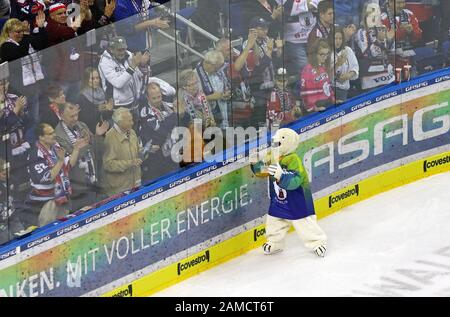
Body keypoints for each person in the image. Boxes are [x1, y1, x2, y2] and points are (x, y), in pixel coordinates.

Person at [25, 123, 88, 227]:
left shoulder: (56, 146)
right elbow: (47, 177)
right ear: (41, 137)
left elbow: (69, 165)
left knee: (65, 226)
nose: (54, 135)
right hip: (46, 202)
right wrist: (60, 161)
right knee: (48, 230)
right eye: (50, 134)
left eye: (53, 132)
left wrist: (76, 149)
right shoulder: (35, 154)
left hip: (62, 196)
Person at [55, 102, 109, 212]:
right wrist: (82, 146)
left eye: (76, 115)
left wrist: (98, 136)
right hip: (78, 189)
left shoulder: (82, 125)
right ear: (60, 115)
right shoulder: (58, 136)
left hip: (94, 182)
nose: (75, 119)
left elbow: (96, 151)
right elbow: (69, 162)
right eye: (71, 116)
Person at [0, 16, 47, 130]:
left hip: (33, 85)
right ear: (9, 32)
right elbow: (21, 52)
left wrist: (41, 28)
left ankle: (35, 139)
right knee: (26, 120)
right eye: (17, 32)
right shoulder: (6, 46)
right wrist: (26, 35)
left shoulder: (24, 40)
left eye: (22, 31)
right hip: (20, 90)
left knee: (35, 117)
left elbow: (42, 44)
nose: (20, 34)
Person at [242, 17, 283, 126]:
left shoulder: (266, 40)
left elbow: (274, 60)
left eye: (266, 28)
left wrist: (279, 49)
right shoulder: (247, 44)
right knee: (261, 117)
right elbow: (257, 69)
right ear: (252, 30)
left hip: (271, 83)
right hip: (258, 88)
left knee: (275, 113)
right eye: (262, 28)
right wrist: (269, 51)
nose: (266, 30)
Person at [138, 82, 177, 183]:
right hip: (156, 156)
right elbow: (161, 130)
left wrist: (180, 114)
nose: (157, 100)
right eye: (154, 98)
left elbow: (181, 121)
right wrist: (175, 115)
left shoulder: (168, 105)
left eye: (159, 96)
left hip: (173, 151)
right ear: (148, 98)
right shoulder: (145, 112)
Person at [0, 79, 31, 202]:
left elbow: (27, 121)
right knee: (12, 182)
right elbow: (3, 127)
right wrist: (17, 110)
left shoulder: (14, 98)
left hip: (21, 144)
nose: (4, 86)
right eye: (0, 84)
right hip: (5, 150)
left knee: (25, 179)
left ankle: (26, 204)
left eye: (6, 83)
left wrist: (22, 112)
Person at [354, 2, 395, 91]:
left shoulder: (383, 28)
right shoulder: (361, 32)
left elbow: (391, 50)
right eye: (372, 14)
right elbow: (367, 54)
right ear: (365, 16)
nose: (375, 17)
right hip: (370, 79)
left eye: (377, 14)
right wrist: (379, 41)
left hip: (388, 76)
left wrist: (390, 39)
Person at [98, 36, 143, 115]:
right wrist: (132, 67)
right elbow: (118, 83)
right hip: (119, 105)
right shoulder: (104, 62)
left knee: (135, 125)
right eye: (119, 50)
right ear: (112, 49)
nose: (122, 52)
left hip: (134, 100)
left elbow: (137, 75)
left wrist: (142, 65)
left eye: (123, 49)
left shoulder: (128, 54)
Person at [102, 107, 142, 196]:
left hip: (136, 182)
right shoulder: (110, 138)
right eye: (129, 121)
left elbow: (136, 151)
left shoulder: (131, 132)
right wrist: (129, 163)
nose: (132, 123)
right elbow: (108, 164)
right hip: (120, 189)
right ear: (120, 123)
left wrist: (145, 151)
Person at [278, 0, 319, 76]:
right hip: (293, 41)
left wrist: (298, 7)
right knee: (305, 70)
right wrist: (307, 5)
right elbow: (286, 8)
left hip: (313, 37)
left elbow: (318, 4)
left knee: (318, 67)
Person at [195, 50, 231, 129]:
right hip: (210, 113)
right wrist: (211, 97)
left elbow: (226, 85)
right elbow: (195, 101)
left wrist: (227, 93)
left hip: (224, 107)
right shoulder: (195, 76)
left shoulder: (218, 70)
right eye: (216, 68)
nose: (218, 70)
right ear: (210, 64)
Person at [300, 39, 334, 113]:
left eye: (327, 54)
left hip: (328, 103)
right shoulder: (308, 70)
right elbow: (305, 93)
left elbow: (327, 87)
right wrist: (313, 108)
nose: (325, 57)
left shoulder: (323, 67)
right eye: (322, 54)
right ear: (315, 54)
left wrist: (333, 99)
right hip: (317, 107)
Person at [78, 67, 114, 133]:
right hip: (92, 131)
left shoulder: (101, 92)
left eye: (97, 78)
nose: (96, 80)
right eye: (92, 78)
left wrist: (109, 109)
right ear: (86, 80)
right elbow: (84, 119)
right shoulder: (82, 97)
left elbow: (106, 116)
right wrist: (99, 110)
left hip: (105, 127)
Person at [330, 26, 359, 103]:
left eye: (340, 38)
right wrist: (338, 63)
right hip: (330, 90)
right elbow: (326, 75)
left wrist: (349, 75)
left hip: (343, 90)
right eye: (335, 38)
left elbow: (355, 67)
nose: (338, 41)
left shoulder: (348, 50)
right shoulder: (327, 52)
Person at [0, 158, 25, 245]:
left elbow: (15, 196)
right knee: (7, 242)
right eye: (3, 174)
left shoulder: (13, 180)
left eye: (8, 172)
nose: (7, 175)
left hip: (13, 217)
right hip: (1, 223)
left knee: (23, 237)